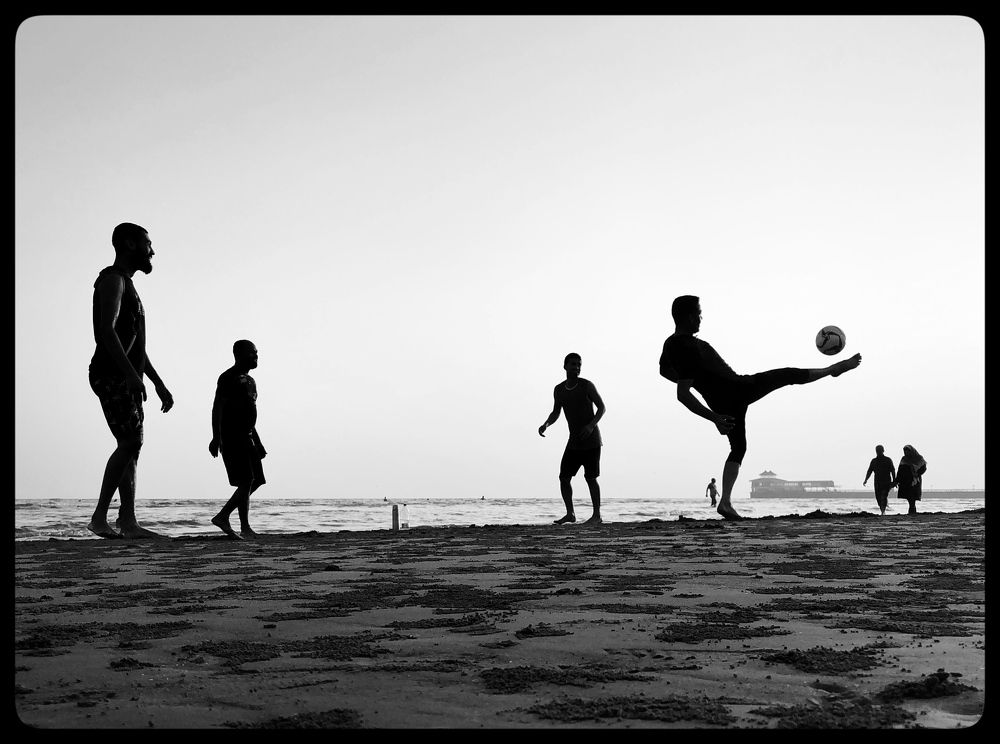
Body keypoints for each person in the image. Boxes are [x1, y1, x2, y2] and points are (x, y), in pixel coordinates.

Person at [659, 295, 861, 521]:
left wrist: (702, 388)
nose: (701, 317)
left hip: (726, 398)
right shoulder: (686, 347)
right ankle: (833, 369)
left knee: (739, 447)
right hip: (735, 389)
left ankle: (725, 503)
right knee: (786, 375)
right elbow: (682, 394)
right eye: (698, 313)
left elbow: (665, 372)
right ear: (687, 316)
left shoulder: (671, 343)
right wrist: (713, 416)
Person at [87, 223, 173, 539]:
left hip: (126, 377)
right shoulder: (112, 281)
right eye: (147, 243)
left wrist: (156, 381)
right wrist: (129, 374)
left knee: (132, 447)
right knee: (130, 442)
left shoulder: (129, 285)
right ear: (129, 244)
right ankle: (99, 518)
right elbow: (106, 332)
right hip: (110, 375)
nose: (152, 250)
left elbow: (137, 348)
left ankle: (128, 522)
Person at [538, 353, 606, 525]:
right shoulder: (559, 389)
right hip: (574, 442)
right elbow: (556, 412)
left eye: (579, 364)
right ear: (565, 366)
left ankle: (597, 515)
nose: (576, 367)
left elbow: (602, 407)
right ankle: (570, 514)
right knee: (564, 477)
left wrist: (590, 426)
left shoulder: (587, 386)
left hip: (591, 441)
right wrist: (546, 424)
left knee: (591, 478)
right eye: (573, 364)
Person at [209, 340, 267, 539]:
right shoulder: (228, 378)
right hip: (232, 436)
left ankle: (245, 527)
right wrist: (216, 437)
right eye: (252, 353)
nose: (256, 356)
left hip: (248, 436)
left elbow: (250, 414)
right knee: (247, 479)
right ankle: (223, 516)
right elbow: (218, 407)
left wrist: (258, 441)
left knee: (254, 480)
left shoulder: (250, 381)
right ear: (239, 354)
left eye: (257, 353)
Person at [892, 444, 926, 515]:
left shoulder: (919, 458)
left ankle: (912, 511)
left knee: (912, 496)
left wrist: (918, 474)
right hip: (905, 480)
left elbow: (924, 468)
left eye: (907, 451)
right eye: (905, 451)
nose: (906, 453)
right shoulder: (904, 459)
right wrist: (896, 480)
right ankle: (912, 510)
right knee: (908, 496)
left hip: (915, 480)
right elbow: (900, 470)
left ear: (911, 451)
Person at [863, 444, 896, 515]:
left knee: (883, 496)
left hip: (886, 481)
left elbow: (892, 470)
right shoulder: (874, 461)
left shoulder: (888, 460)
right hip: (877, 482)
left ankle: (883, 511)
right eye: (877, 451)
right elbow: (869, 471)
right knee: (878, 497)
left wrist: (894, 481)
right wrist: (866, 480)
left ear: (883, 451)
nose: (878, 452)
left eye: (880, 451)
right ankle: (882, 510)